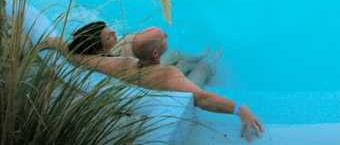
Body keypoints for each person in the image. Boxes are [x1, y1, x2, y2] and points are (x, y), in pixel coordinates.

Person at [42, 27, 264, 141]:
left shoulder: (122, 63)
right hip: (170, 87)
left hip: (146, 74)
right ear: (157, 52)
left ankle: (193, 59)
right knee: (203, 69)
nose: (166, 35)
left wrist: (51, 42)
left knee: (180, 60)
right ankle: (210, 63)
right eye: (163, 37)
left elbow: (76, 57)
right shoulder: (169, 75)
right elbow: (202, 99)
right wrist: (239, 109)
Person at [67, 21, 214, 86]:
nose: (113, 32)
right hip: (152, 77)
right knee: (199, 67)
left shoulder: (103, 55)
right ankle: (206, 65)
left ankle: (198, 58)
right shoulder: (111, 64)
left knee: (176, 54)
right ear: (99, 49)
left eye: (109, 29)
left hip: (146, 69)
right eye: (108, 36)